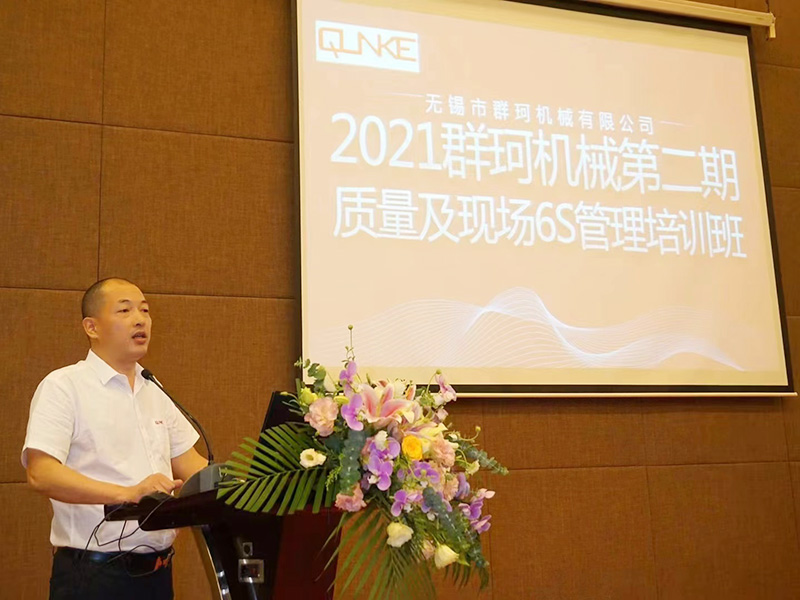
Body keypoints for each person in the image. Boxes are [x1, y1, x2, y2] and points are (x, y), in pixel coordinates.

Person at [22, 278, 209, 600]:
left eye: (145, 311)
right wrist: (128, 494)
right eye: (125, 310)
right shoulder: (64, 386)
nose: (140, 319)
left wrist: (257, 486)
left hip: (158, 574)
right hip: (93, 577)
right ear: (91, 327)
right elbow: (41, 473)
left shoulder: (153, 389)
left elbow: (192, 467)